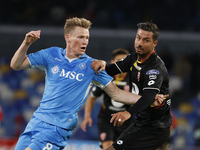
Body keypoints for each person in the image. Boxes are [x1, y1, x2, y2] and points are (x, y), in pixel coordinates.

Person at [10, 17, 164, 150]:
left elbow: (116, 94)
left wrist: (148, 99)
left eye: (87, 38)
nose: (85, 42)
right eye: (80, 37)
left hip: (58, 128)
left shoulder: (92, 67)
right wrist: (26, 43)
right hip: (37, 121)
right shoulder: (51, 54)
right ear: (68, 37)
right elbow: (16, 65)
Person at [92, 22, 172, 150]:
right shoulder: (133, 57)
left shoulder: (155, 68)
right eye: (138, 38)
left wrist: (128, 113)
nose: (139, 43)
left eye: (146, 40)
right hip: (141, 123)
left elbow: (149, 96)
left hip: (154, 128)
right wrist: (102, 64)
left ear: (154, 43)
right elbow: (112, 69)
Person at [81, 48, 131, 149]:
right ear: (112, 62)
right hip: (107, 119)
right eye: (118, 61)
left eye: (124, 61)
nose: (121, 63)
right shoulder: (105, 76)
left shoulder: (134, 79)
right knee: (108, 147)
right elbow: (92, 97)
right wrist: (87, 116)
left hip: (125, 121)